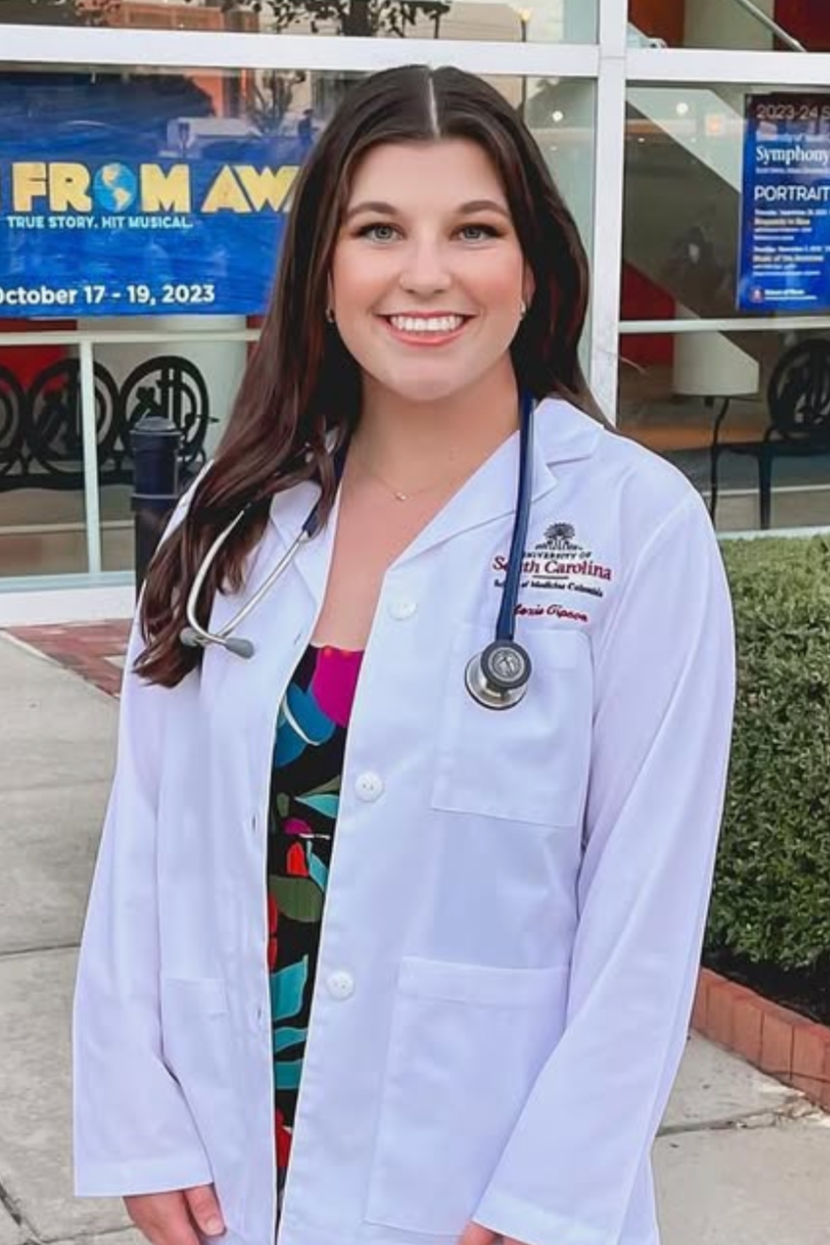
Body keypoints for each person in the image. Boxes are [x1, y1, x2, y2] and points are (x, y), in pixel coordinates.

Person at [72, 63, 736, 1245]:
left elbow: (645, 907)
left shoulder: (634, 526)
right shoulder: (229, 522)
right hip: (236, 1160)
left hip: (486, 1182)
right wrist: (140, 1119)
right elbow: (147, 841)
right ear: (323, 271)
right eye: (379, 229)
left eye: (472, 229)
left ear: (531, 270)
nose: (425, 273)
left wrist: (544, 1206)